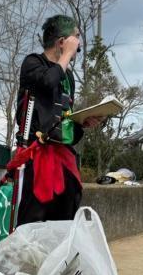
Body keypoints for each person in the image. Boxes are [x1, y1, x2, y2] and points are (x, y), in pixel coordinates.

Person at [11, 14, 103, 227]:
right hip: (36, 153)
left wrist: (81, 123)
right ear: (62, 41)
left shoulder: (68, 77)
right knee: (34, 219)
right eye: (76, 38)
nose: (78, 44)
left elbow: (65, 120)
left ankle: (63, 248)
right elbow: (47, 82)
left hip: (63, 155)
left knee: (67, 213)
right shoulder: (33, 63)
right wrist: (67, 54)